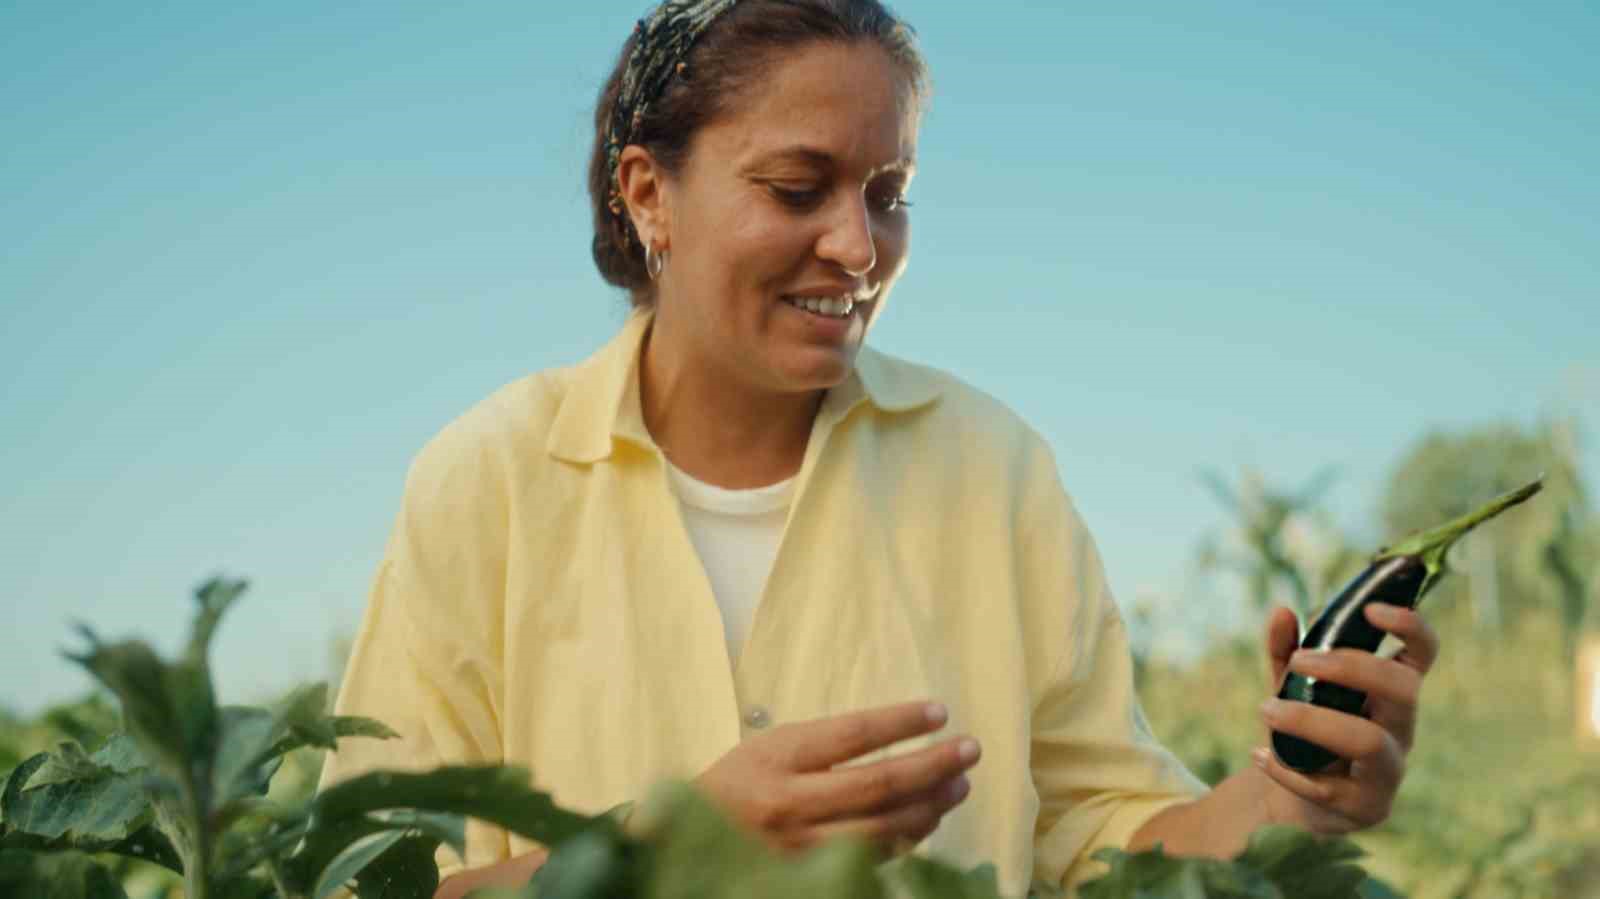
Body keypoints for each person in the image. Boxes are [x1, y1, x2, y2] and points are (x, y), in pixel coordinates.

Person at [318, 2, 1443, 897]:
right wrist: (667, 849)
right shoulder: (488, 484)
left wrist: (1289, 799)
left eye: (889, 193)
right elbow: (370, 883)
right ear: (649, 192)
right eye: (797, 187)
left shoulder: (993, 470)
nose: (859, 246)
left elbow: (1108, 845)